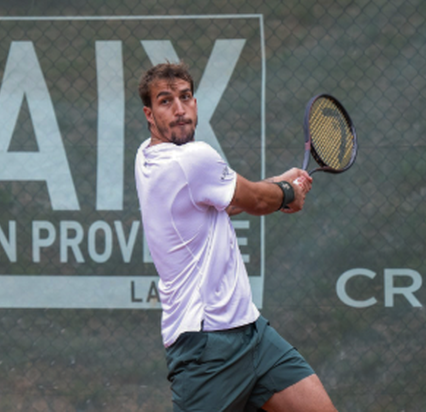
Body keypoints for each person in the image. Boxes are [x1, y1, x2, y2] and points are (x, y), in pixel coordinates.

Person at [134, 62, 337, 412]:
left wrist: (281, 184)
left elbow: (222, 202)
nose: (180, 110)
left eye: (185, 97)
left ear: (195, 102)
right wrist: (288, 193)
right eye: (166, 101)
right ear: (149, 114)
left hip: (252, 332)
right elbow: (256, 200)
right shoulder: (193, 158)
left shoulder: (146, 156)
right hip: (208, 347)